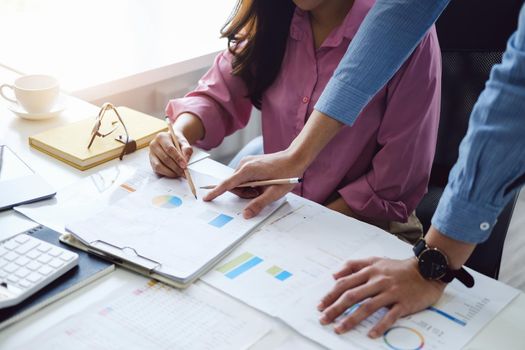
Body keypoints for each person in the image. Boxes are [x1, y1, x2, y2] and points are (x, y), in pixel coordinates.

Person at [205, 0, 525, 339]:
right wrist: (297, 156)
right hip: (301, 221)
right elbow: (392, 28)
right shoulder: (284, 22)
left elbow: (513, 102)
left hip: (371, 220)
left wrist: (436, 263)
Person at [149, 0, 441, 241]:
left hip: (368, 223)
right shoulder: (275, 14)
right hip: (278, 212)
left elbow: (394, 183)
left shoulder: (405, 34)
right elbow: (217, 94)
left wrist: (297, 225)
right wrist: (178, 134)